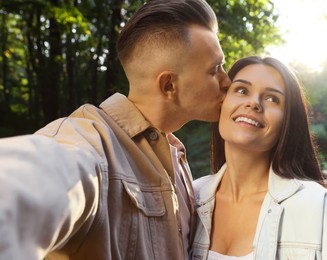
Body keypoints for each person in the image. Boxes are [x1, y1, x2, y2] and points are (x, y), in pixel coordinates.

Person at [0, 0, 231, 259]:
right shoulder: (89, 144)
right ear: (169, 85)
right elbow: (22, 183)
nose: (227, 81)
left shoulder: (177, 156)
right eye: (215, 70)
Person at [191, 56, 327, 259]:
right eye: (242, 90)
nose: (253, 103)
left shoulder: (323, 209)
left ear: (287, 122)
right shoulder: (188, 199)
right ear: (222, 102)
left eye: (272, 98)